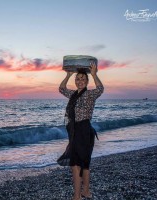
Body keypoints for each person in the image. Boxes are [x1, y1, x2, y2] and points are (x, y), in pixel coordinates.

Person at [57, 61, 104, 200]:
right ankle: (86, 192)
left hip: (83, 130)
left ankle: (77, 196)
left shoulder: (89, 95)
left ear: (87, 81)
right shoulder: (72, 94)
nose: (80, 81)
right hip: (75, 131)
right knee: (83, 163)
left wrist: (95, 75)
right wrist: (68, 75)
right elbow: (61, 88)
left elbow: (100, 89)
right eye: (78, 79)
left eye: (83, 79)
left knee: (76, 165)